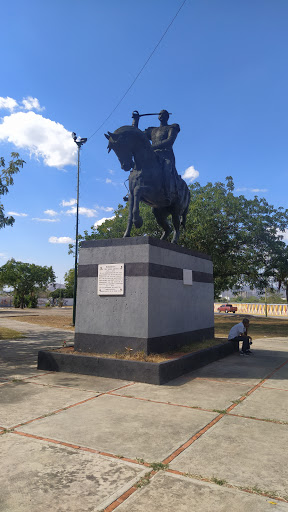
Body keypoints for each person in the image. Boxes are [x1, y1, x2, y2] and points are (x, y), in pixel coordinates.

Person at [144, 110, 180, 204]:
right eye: (159, 114)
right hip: (153, 156)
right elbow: (138, 135)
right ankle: (133, 192)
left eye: (163, 114)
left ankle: (168, 193)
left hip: (166, 155)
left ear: (167, 117)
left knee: (167, 168)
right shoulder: (152, 130)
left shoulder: (172, 128)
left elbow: (170, 141)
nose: (161, 115)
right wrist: (135, 121)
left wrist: (152, 146)